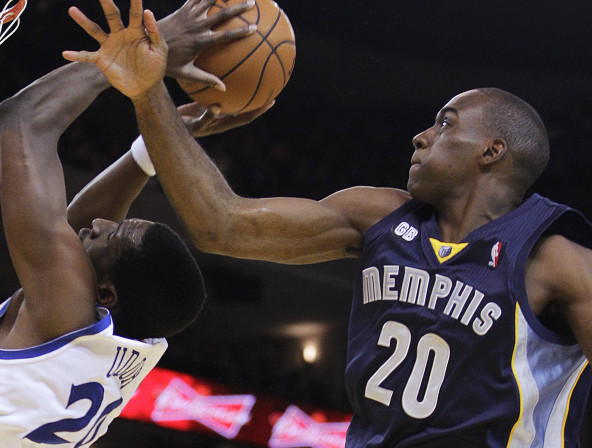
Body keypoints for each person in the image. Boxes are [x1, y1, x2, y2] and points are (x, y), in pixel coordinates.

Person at [63, 0, 592, 446]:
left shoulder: (556, 263)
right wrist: (148, 91)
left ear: (491, 151)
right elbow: (222, 224)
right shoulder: (378, 216)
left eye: (445, 124)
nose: (421, 136)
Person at [0, 1, 264, 445]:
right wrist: (153, 146)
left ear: (106, 293)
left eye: (113, 236)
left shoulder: (62, 309)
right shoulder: (125, 354)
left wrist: (131, 59)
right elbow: (73, 232)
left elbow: (22, 121)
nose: (100, 223)